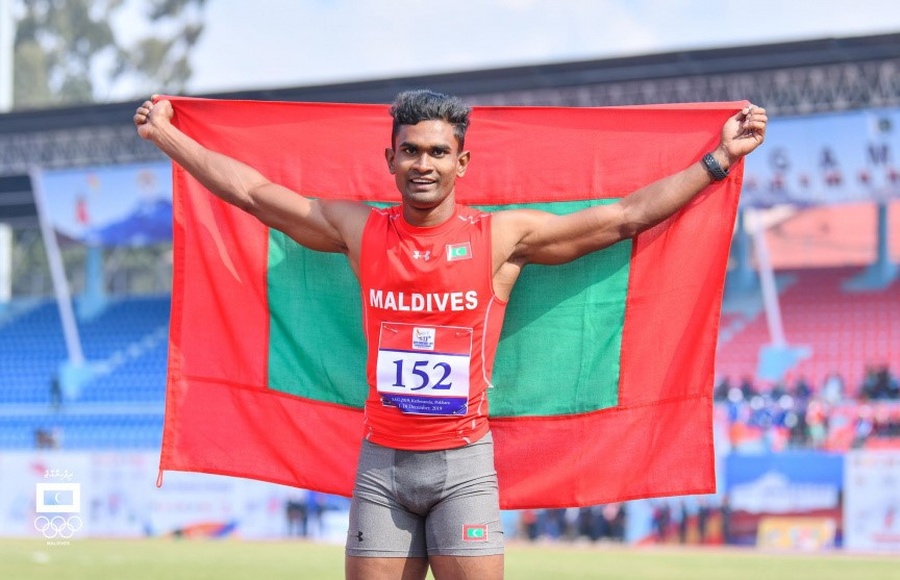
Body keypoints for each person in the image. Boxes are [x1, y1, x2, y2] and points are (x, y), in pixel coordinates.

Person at [134, 90, 766, 580]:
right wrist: (167, 136)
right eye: (410, 150)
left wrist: (719, 159)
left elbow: (624, 217)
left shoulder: (500, 238)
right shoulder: (359, 230)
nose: (423, 164)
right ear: (390, 159)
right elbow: (252, 192)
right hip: (381, 466)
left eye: (438, 152)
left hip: (464, 468)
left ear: (462, 162)